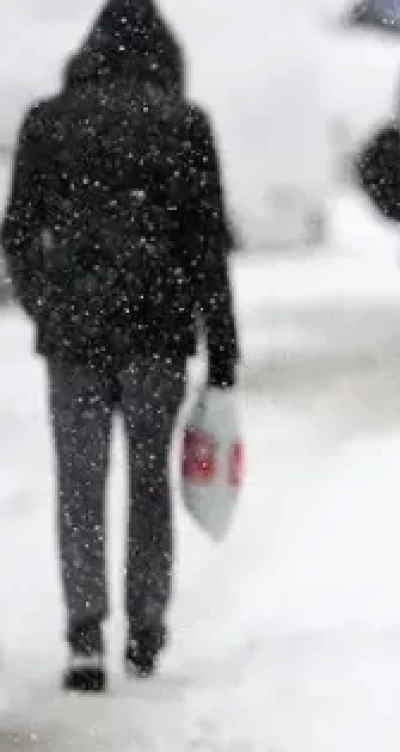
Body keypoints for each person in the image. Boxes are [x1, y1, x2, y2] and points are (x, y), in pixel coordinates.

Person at [0, 0, 239, 692]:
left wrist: (47, 300)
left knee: (79, 484)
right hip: (156, 332)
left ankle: (83, 634)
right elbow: (207, 247)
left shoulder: (49, 122)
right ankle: (144, 626)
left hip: (73, 333)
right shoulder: (184, 124)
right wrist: (221, 349)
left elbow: (17, 231)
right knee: (147, 481)